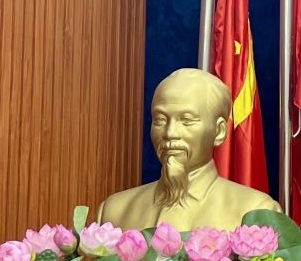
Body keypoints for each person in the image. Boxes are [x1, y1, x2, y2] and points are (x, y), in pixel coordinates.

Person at [99, 69, 281, 230]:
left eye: (186, 120)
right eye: (160, 120)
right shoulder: (114, 212)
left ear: (219, 131)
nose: (170, 133)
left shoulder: (255, 212)